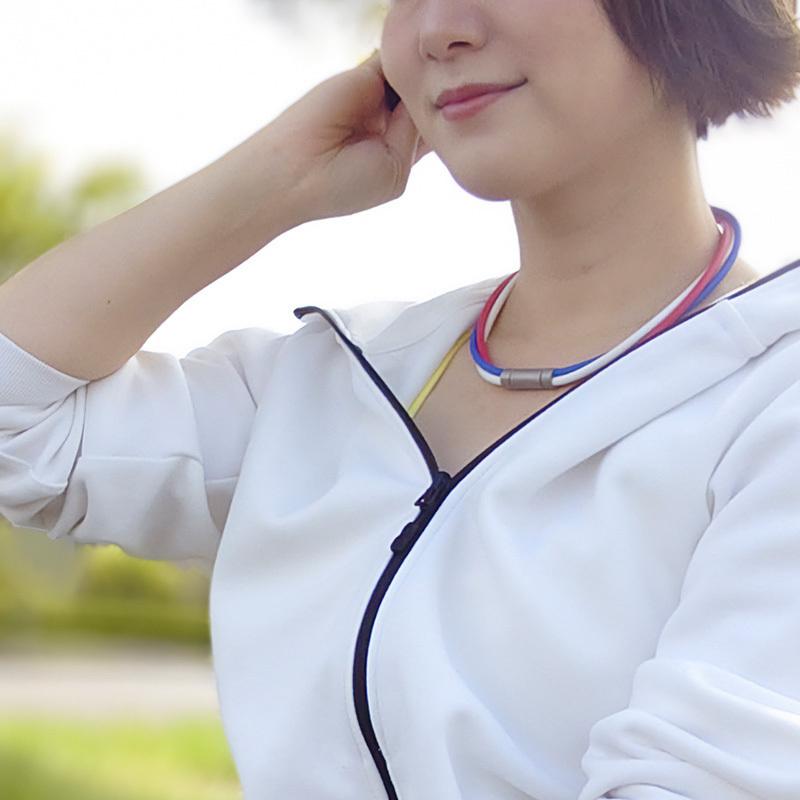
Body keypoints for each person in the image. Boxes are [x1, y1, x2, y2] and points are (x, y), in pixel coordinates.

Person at [2, 1, 800, 798]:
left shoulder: (773, 402)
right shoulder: (339, 377)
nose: (437, 29)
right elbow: (22, 429)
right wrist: (277, 178)